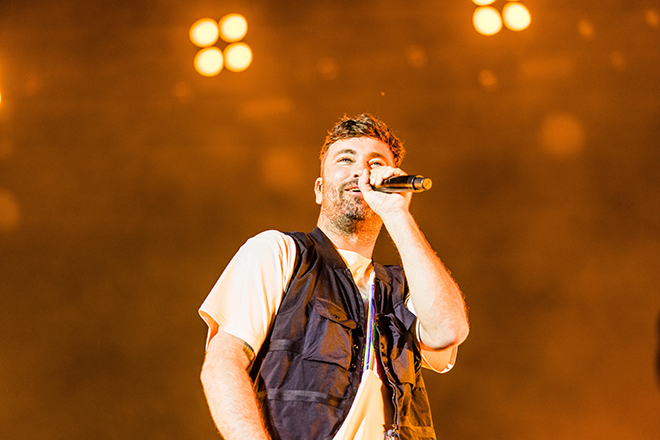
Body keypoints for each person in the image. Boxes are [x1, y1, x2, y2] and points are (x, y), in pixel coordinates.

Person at [199, 114, 469, 440]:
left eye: (375, 163)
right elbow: (222, 364)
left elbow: (448, 330)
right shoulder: (279, 252)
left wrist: (397, 213)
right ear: (319, 188)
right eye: (346, 159)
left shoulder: (405, 284)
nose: (361, 170)